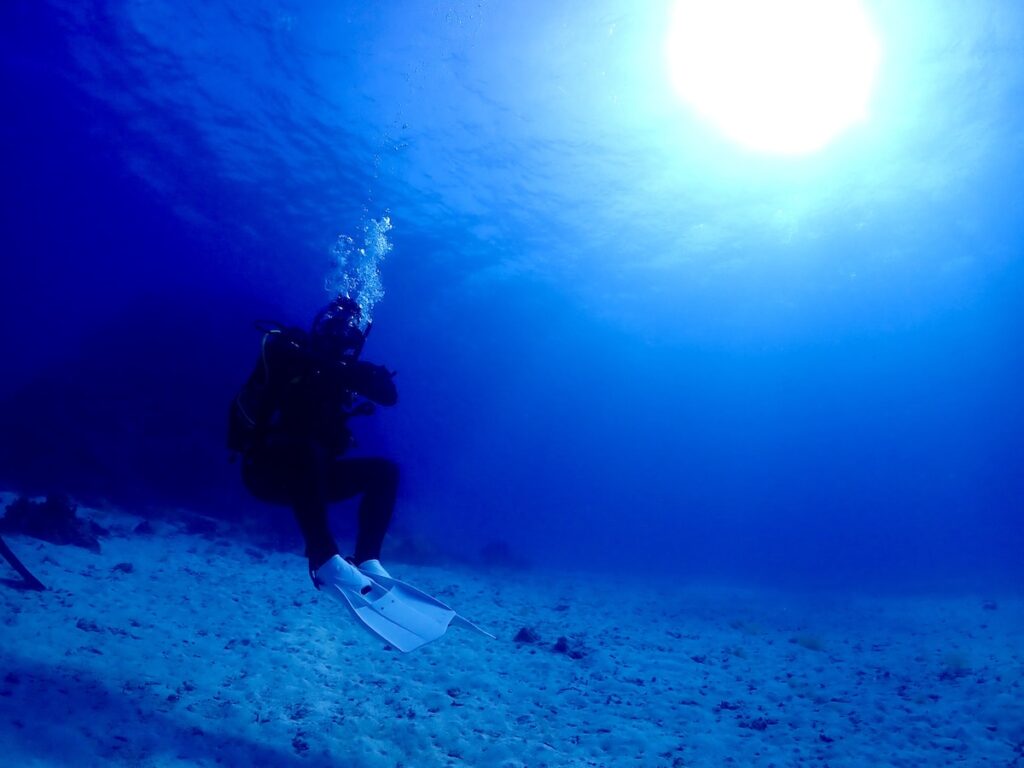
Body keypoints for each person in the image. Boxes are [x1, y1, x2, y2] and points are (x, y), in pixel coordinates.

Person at [230, 294, 398, 595]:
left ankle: (368, 559)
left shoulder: (348, 372)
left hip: (316, 481)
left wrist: (370, 376)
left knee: (385, 472)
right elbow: (275, 347)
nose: (338, 334)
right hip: (265, 473)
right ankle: (323, 558)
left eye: (347, 330)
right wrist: (344, 370)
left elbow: (389, 397)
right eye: (333, 325)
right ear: (320, 325)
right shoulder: (291, 348)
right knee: (305, 449)